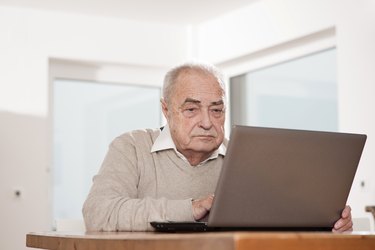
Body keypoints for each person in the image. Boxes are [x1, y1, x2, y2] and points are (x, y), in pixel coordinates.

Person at [82, 62, 353, 232]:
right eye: (191, 109)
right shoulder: (131, 146)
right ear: (166, 110)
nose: (207, 122)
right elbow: (98, 213)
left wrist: (327, 223)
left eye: (217, 109)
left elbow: (275, 222)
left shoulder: (246, 159)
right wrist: (191, 208)